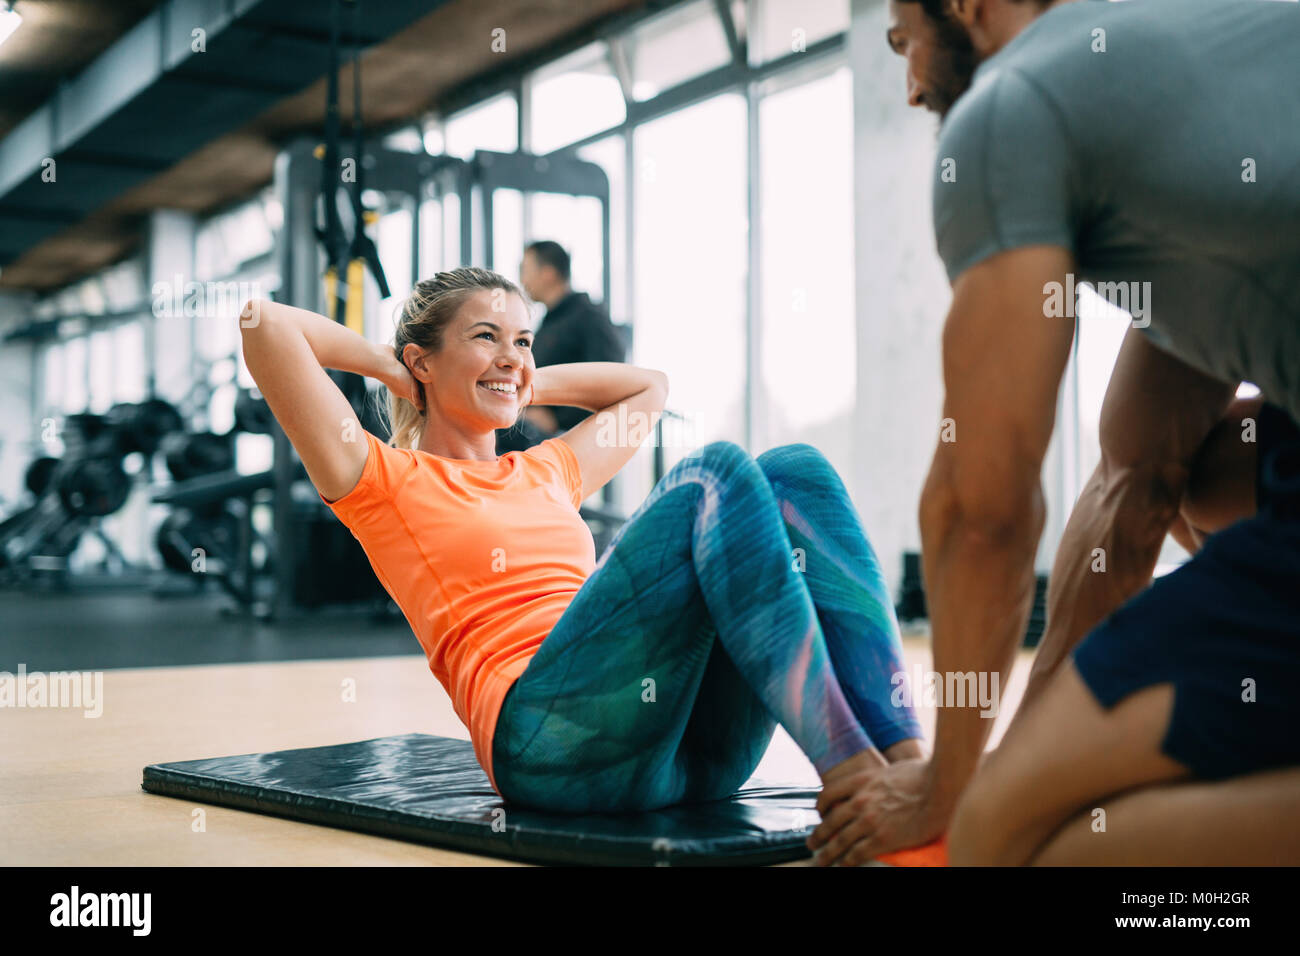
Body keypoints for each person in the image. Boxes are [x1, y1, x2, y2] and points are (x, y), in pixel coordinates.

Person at [807, 0, 1300, 865]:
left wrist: (951, 789)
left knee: (1011, 844)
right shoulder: (1179, 65)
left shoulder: (1010, 106)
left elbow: (980, 511)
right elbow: (1137, 477)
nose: (915, 85)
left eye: (903, 43)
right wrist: (1017, 756)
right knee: (1207, 471)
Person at [238, 268, 926, 822]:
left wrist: (517, 377)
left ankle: (906, 761)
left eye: (525, 340)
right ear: (423, 357)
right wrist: (395, 370)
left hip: (687, 753)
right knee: (710, 474)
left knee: (795, 470)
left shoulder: (546, 469)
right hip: (551, 746)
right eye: (486, 336)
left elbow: (649, 390)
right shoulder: (382, 477)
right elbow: (263, 324)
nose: (512, 356)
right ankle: (855, 775)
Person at [496, 240, 626, 454]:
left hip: (561, 436)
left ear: (548, 273)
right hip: (533, 431)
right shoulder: (552, 320)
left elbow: (615, 377)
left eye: (526, 270)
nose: (522, 279)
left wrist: (557, 418)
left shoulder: (588, 316)